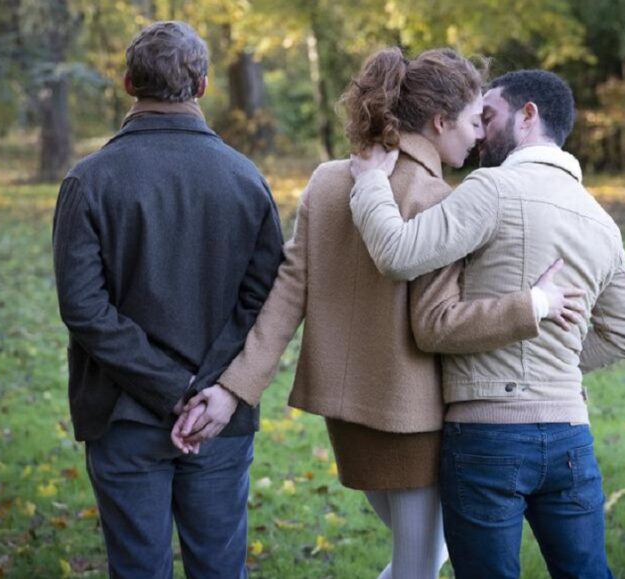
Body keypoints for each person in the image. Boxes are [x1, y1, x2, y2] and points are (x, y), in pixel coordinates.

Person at [171, 49, 584, 579]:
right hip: (412, 420)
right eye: (473, 121)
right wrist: (535, 307)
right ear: (439, 122)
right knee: (420, 565)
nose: (481, 136)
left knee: (424, 556)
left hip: (346, 417)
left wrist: (235, 389)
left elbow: (287, 292)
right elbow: (440, 322)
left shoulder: (327, 181)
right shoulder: (439, 197)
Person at [347, 70, 625, 578]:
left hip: (488, 438)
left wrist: (371, 183)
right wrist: (556, 363)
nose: (480, 133)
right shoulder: (601, 220)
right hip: (571, 435)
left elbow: (398, 254)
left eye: (488, 116)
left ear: (528, 115)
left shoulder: (493, 189)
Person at [51, 21, 283, 578]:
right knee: (220, 567)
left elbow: (85, 307)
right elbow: (265, 299)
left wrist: (176, 388)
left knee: (137, 569)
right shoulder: (246, 180)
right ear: (202, 86)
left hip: (125, 412)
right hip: (217, 414)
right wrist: (206, 390)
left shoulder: (89, 180)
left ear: (129, 82)